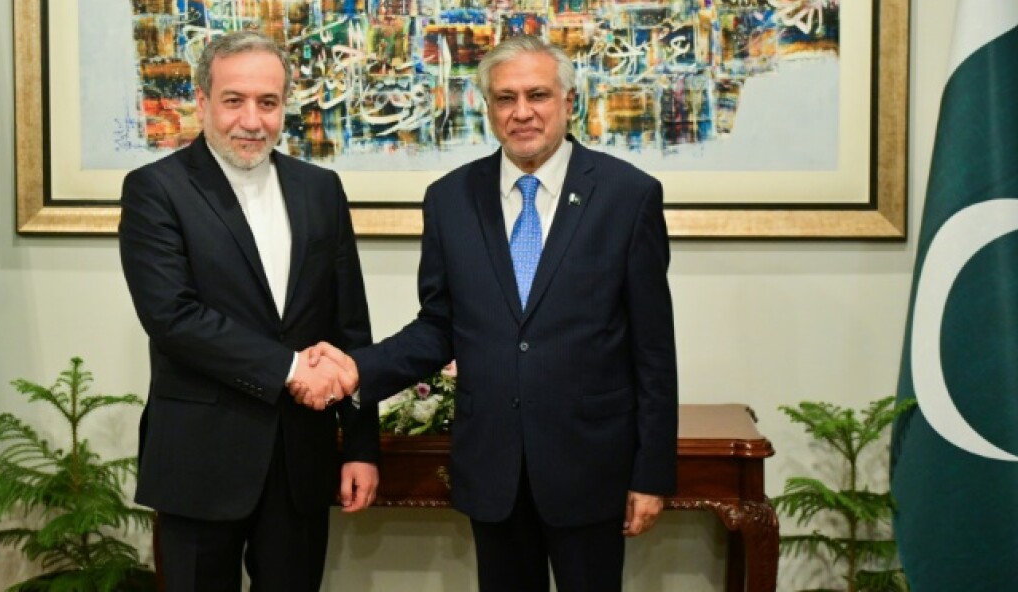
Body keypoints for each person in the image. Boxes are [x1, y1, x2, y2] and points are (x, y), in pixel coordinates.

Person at [304, 35, 677, 591]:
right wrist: (358, 370)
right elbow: (438, 328)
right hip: (493, 467)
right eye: (505, 98)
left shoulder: (628, 195)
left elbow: (653, 349)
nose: (521, 112)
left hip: (591, 466)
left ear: (568, 101)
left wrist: (651, 474)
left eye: (537, 95)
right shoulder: (450, 198)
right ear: (487, 107)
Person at [118, 31, 379, 592]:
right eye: (234, 100)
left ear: (285, 105)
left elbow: (349, 325)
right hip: (199, 461)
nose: (252, 121)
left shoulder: (321, 189)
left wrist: (361, 447)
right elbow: (172, 317)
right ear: (202, 101)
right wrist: (291, 368)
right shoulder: (156, 190)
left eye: (268, 102)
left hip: (300, 461)